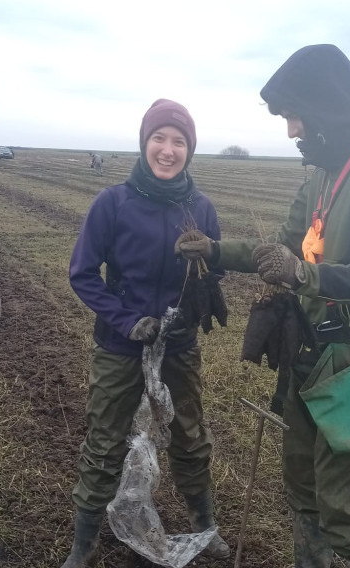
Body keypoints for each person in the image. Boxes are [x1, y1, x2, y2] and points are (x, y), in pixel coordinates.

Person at [176, 45, 350, 567]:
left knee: (346, 509)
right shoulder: (323, 172)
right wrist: (216, 251)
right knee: (303, 490)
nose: (291, 130)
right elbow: (283, 246)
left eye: (294, 115)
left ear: (323, 105)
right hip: (306, 352)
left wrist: (305, 275)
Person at [62, 99, 230, 567]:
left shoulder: (200, 208)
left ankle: (204, 526)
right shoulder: (113, 203)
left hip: (178, 346)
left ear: (189, 150)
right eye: (159, 138)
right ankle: (83, 546)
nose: (168, 150)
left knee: (191, 438)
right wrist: (126, 319)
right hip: (120, 345)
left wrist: (199, 294)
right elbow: (82, 274)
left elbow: (213, 273)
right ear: (144, 142)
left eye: (179, 142)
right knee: (105, 442)